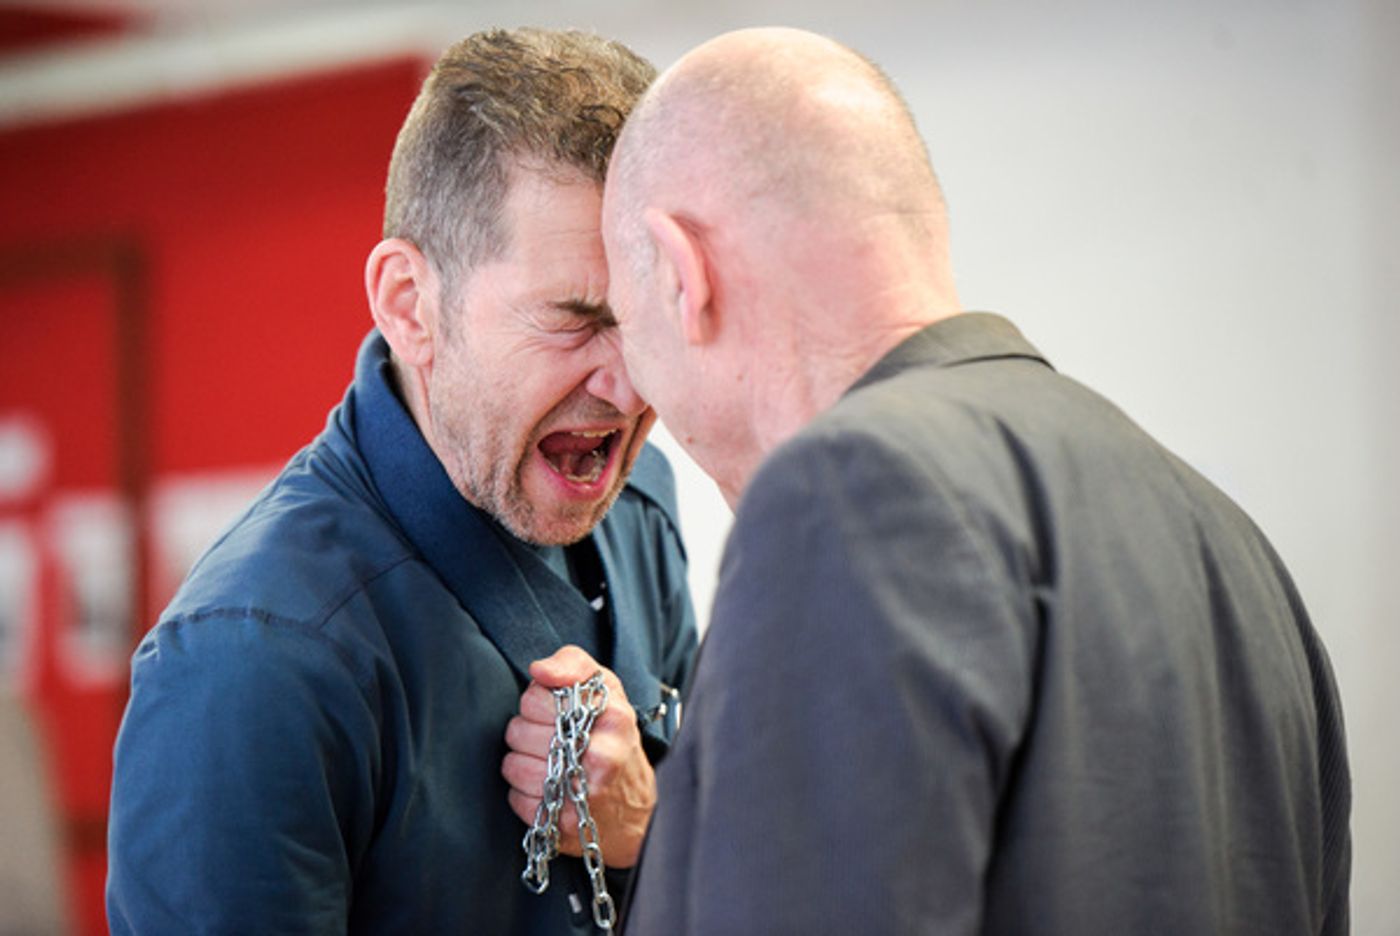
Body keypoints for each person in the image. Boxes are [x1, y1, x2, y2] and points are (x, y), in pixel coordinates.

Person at [601, 27, 1350, 936]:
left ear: (685, 274)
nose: (625, 387)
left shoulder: (845, 497)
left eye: (619, 321)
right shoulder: (1231, 544)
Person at [107, 28, 697, 935]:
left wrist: (646, 828)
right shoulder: (253, 661)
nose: (630, 384)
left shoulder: (639, 506)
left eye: (647, 319)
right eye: (576, 322)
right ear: (410, 304)